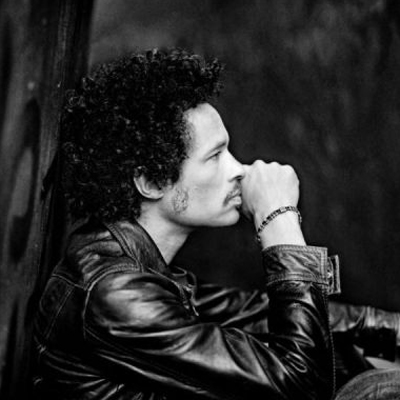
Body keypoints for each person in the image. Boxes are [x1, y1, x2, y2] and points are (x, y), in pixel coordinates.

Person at [32, 48, 341, 400]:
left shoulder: (142, 269)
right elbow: (303, 388)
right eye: (215, 156)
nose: (238, 170)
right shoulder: (115, 293)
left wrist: (383, 327)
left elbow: (253, 312)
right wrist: (279, 219)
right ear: (151, 182)